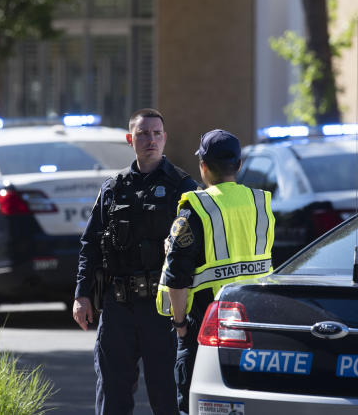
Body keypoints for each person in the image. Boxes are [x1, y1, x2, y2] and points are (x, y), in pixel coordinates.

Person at [73, 108, 199, 415]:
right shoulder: (113, 188)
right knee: (112, 399)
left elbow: (196, 252)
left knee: (168, 398)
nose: (151, 140)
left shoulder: (183, 187)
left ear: (165, 138)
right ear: (131, 139)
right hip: (118, 309)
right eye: (143, 134)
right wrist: (82, 294)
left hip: (164, 309)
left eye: (157, 134)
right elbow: (90, 244)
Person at [156, 129, 275, 414]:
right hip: (254, 326)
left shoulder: (197, 208)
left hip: (206, 331)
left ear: (204, 166)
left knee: (198, 405)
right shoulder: (261, 204)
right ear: (239, 165)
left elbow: (177, 277)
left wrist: (180, 324)